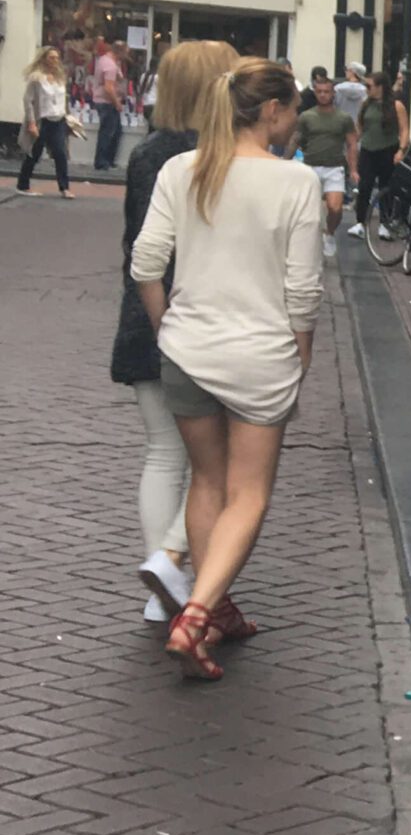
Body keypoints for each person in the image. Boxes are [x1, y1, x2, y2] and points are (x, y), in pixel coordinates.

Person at [130, 59, 325, 681]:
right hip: (260, 356)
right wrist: (302, 354)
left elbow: (145, 263)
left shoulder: (180, 169)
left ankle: (216, 609)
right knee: (249, 493)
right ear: (271, 111)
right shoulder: (295, 182)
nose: (295, 123)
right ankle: (195, 617)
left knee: (206, 483)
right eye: (293, 112)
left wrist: (165, 329)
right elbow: (303, 290)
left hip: (187, 351)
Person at [115, 40, 241, 628]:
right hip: (207, 320)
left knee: (163, 453)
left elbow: (138, 248)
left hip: (145, 316)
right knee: (222, 462)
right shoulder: (230, 156)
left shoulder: (149, 154)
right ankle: (174, 560)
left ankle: (163, 580)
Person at [295, 79, 360, 263]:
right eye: (319, 91)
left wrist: (353, 169)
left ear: (333, 94)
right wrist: (284, 161)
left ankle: (329, 232)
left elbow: (352, 144)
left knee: (335, 208)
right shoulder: (307, 116)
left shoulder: (343, 118)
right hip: (311, 166)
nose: (323, 95)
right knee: (309, 211)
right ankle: (309, 245)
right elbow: (296, 139)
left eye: (326, 91)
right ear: (315, 93)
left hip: (334, 167)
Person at [352, 70, 407, 228]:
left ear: (380, 87)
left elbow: (404, 129)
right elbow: (359, 128)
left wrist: (401, 150)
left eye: (369, 86)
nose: (366, 89)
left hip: (388, 150)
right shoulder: (365, 105)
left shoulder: (396, 106)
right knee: (364, 186)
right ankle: (361, 222)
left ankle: (385, 222)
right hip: (368, 150)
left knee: (386, 187)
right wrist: (352, 144)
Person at [19, 47, 74, 196]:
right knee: (34, 153)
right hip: (42, 120)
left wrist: (68, 117)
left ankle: (64, 188)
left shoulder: (60, 78)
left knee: (60, 153)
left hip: (58, 120)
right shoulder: (37, 78)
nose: (55, 61)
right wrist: (31, 122)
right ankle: (23, 184)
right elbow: (28, 101)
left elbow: (63, 99)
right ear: (44, 59)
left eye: (57, 58)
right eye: (51, 58)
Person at [92, 38, 128, 171]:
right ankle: (102, 162)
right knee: (108, 132)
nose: (126, 56)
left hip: (105, 101)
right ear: (120, 52)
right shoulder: (110, 66)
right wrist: (117, 103)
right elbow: (109, 88)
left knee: (115, 131)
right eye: (126, 53)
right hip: (107, 102)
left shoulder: (105, 60)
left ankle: (108, 160)